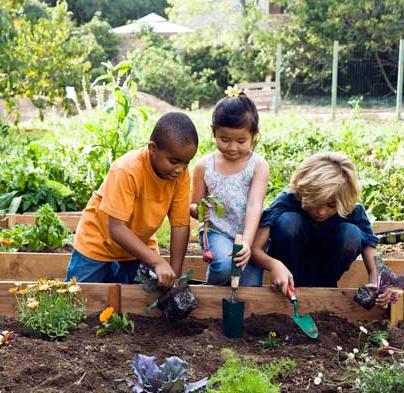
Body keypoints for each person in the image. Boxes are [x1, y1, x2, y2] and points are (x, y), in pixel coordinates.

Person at [65, 112, 199, 287]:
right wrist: (158, 262)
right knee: (77, 298)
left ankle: (114, 273)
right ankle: (109, 272)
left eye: (186, 163)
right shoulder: (127, 170)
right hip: (98, 243)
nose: (180, 169)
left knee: (142, 301)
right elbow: (117, 229)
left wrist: (174, 276)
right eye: (174, 161)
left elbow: (180, 225)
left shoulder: (179, 176)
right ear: (152, 149)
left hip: (138, 246)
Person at [251, 152, 390, 307]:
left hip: (327, 272)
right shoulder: (288, 200)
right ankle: (289, 288)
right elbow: (255, 249)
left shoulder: (351, 210)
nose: (322, 212)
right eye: (316, 203)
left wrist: (378, 284)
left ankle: (326, 290)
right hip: (288, 273)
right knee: (289, 221)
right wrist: (273, 265)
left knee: (351, 233)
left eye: (331, 205)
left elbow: (373, 259)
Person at [190, 87, 269, 286]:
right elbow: (193, 206)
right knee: (224, 266)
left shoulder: (258, 166)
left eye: (241, 141)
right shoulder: (204, 166)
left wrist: (248, 243)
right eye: (224, 140)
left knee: (249, 287)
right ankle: (210, 304)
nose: (232, 147)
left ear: (254, 136)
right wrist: (199, 210)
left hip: (250, 232)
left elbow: (254, 205)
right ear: (213, 132)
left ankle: (238, 314)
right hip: (218, 231)